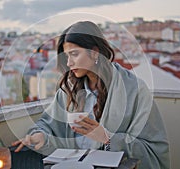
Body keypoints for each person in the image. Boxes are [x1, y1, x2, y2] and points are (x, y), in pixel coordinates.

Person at [12, 21, 170, 169]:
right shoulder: (69, 90)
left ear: (94, 53)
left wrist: (108, 138)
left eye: (74, 54)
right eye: (67, 56)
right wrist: (40, 136)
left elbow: (153, 150)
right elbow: (47, 124)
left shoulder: (135, 90)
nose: (68, 63)